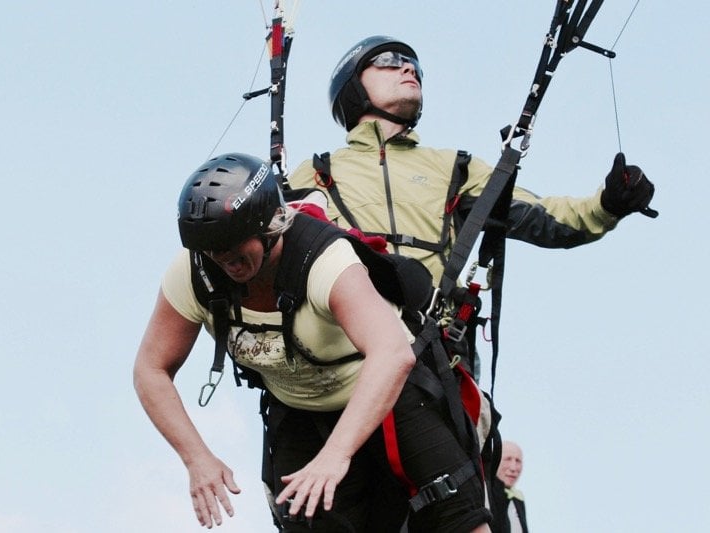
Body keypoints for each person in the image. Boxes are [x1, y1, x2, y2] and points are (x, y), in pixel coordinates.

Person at [287, 33, 655, 529]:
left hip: (430, 360)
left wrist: (606, 206)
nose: (408, 69)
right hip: (340, 361)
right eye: (389, 62)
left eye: (414, 63)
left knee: (458, 516)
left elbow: (541, 216)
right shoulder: (315, 173)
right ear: (353, 88)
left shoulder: (452, 168)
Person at [134, 152, 492, 532]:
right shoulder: (196, 273)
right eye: (212, 250)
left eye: (235, 246)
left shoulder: (325, 261)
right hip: (300, 412)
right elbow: (150, 369)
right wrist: (196, 458)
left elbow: (391, 355)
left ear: (269, 227)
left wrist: (337, 454)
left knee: (459, 518)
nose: (226, 260)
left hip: (390, 394)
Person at [492, 441, 529, 533]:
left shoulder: (518, 498)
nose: (513, 468)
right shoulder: (485, 493)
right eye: (508, 459)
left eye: (518, 461)